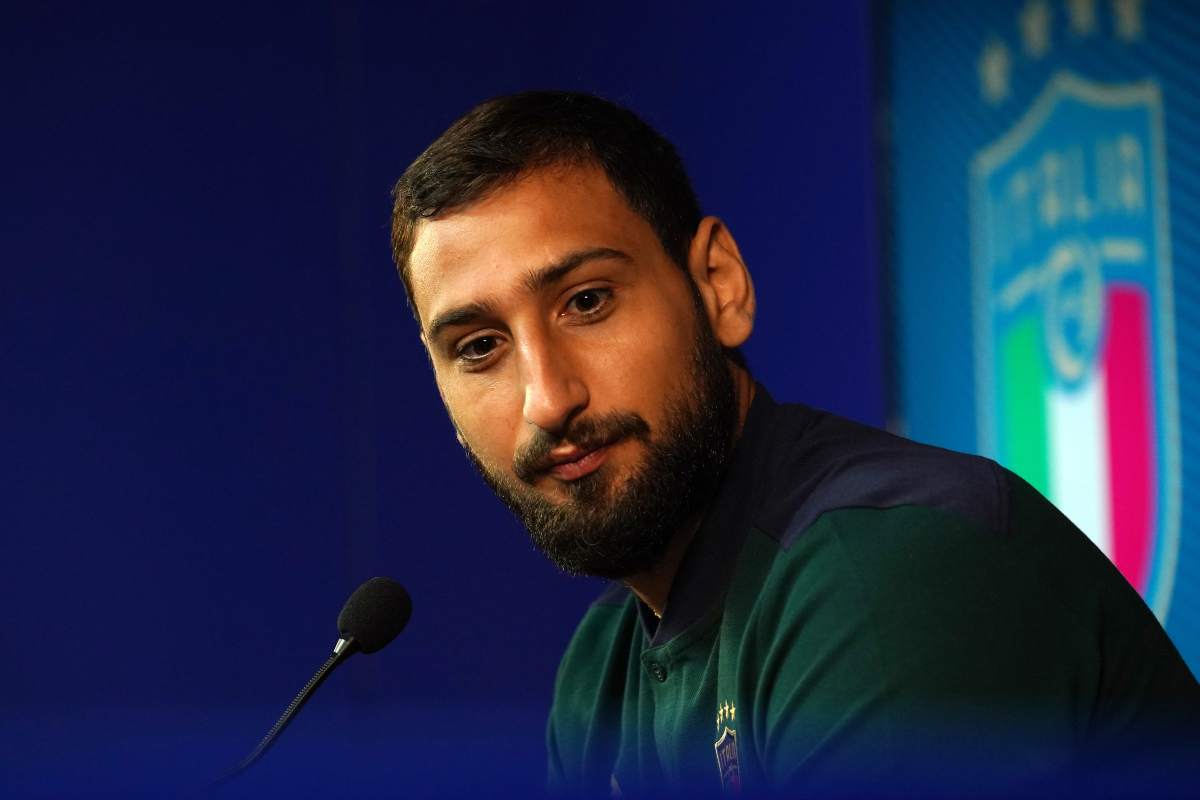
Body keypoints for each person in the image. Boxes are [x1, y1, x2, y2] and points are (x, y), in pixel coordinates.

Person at [389, 91, 1198, 797]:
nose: (547, 399)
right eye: (479, 348)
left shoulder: (887, 570)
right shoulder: (601, 667)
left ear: (719, 286)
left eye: (588, 301)